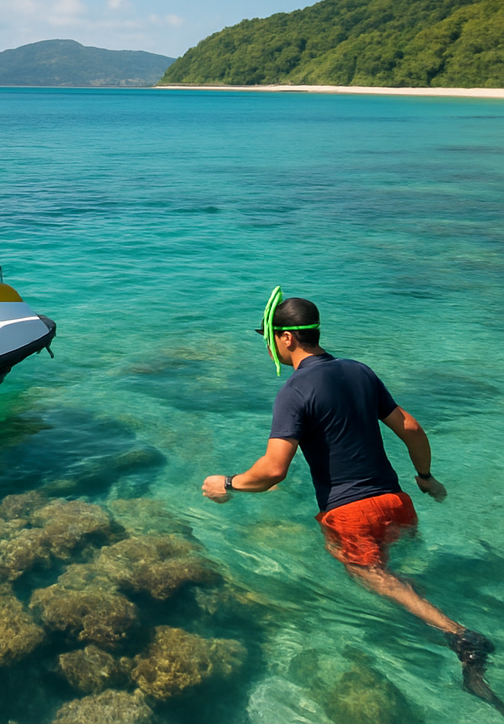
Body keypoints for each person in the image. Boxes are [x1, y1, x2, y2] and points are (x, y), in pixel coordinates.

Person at [202, 288, 500, 710]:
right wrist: (426, 477)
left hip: (350, 513)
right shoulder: (360, 371)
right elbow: (411, 428)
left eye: (267, 336)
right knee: (394, 576)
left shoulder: (294, 391)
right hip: (398, 504)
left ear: (286, 338)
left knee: (369, 576)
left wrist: (227, 484)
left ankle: (461, 637)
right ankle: (431, 617)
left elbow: (272, 471)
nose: (268, 344)